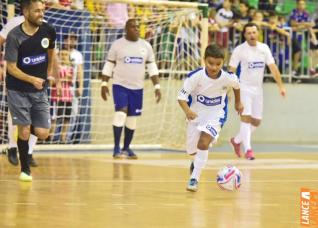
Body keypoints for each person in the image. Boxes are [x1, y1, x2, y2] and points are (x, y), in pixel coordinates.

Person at [4, 0, 59, 181]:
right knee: (25, 130)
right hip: (17, 89)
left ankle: (22, 128)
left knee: (43, 133)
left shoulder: (48, 30)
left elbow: (51, 51)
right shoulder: (14, 36)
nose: (41, 14)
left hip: (39, 89)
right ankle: (25, 170)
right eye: (37, 11)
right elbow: (10, 68)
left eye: (42, 10)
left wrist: (49, 72)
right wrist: (31, 79)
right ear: (26, 12)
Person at [178, 44, 243, 192]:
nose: (214, 67)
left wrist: (238, 102)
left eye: (218, 64)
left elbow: (237, 86)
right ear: (204, 60)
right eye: (210, 63)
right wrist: (187, 111)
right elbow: (181, 97)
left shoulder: (228, 78)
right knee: (192, 151)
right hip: (196, 114)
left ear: (223, 62)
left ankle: (194, 179)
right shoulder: (195, 77)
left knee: (203, 142)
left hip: (216, 114)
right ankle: (196, 161)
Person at [100, 18, 161, 159]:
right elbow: (109, 65)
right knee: (121, 113)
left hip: (137, 88)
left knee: (132, 119)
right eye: (133, 27)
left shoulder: (146, 46)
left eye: (138, 27)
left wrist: (157, 86)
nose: (137, 29)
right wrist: (104, 84)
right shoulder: (117, 45)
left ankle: (126, 148)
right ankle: (116, 148)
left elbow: (152, 67)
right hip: (120, 85)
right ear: (126, 29)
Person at [229, 22, 286, 160]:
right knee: (246, 118)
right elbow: (231, 71)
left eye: (254, 32)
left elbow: (273, 68)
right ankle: (248, 150)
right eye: (249, 33)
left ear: (258, 33)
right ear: (244, 35)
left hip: (258, 90)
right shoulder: (239, 50)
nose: (252, 35)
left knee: (256, 122)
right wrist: (229, 91)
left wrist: (281, 86)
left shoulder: (264, 48)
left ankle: (236, 141)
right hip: (243, 88)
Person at [0, 15, 39, 167]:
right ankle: (11, 147)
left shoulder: (46, 25)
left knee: (36, 114)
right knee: (15, 113)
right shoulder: (15, 23)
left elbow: (51, 52)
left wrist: (52, 73)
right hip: (15, 73)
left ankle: (29, 152)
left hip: (37, 74)